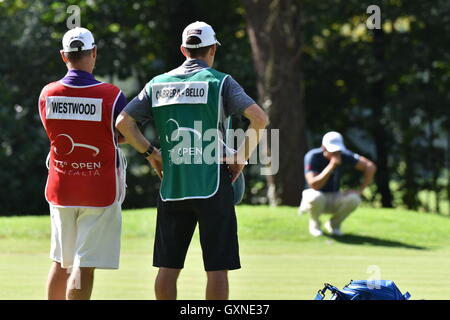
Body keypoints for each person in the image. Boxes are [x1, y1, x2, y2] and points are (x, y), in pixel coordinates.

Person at [116, 21, 268, 300]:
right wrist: (240, 158)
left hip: (173, 187)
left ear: (183, 50)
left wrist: (152, 154)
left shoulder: (157, 84)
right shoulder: (221, 82)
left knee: (167, 267)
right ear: (212, 49)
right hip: (213, 183)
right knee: (217, 268)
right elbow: (259, 119)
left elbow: (124, 122)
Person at [38, 27, 128, 300]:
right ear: (94, 53)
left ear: (64, 55)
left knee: (60, 262)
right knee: (83, 266)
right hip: (98, 188)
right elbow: (121, 135)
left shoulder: (47, 93)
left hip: (61, 186)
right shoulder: (112, 95)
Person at [298, 131, 376, 237]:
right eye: (332, 150)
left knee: (354, 198)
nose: (335, 153)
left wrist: (360, 190)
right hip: (314, 196)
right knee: (316, 197)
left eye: (337, 150)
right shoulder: (313, 156)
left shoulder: (343, 155)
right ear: (323, 147)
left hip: (334, 196)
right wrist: (331, 166)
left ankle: (333, 225)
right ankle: (315, 224)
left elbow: (370, 167)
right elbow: (314, 185)